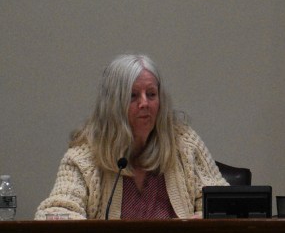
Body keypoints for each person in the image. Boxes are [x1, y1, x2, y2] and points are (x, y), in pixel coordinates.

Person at [35, 54, 226, 220]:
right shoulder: (85, 156)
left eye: (151, 94)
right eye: (133, 96)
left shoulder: (184, 143)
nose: (144, 103)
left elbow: (224, 203)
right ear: (113, 105)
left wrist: (203, 218)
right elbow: (52, 214)